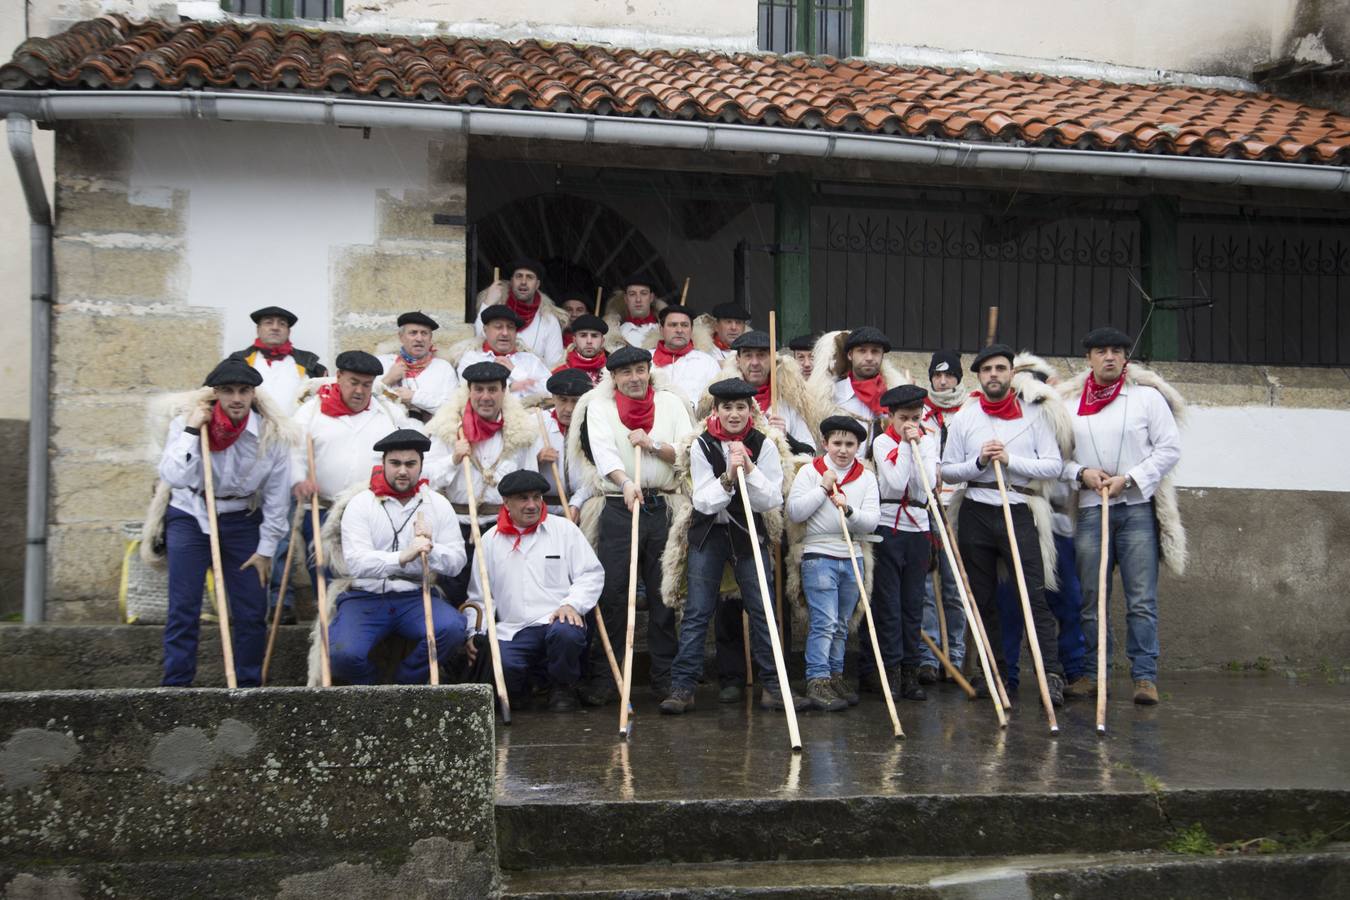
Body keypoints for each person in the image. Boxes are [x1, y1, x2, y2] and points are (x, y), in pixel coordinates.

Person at [660, 378, 804, 714]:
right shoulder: (701, 445)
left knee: (763, 610)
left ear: (750, 410)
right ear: (717, 410)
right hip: (709, 532)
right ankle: (683, 687)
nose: (735, 414)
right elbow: (703, 501)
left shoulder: (765, 444)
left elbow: (770, 497)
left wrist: (750, 469)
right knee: (697, 612)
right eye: (727, 407)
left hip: (748, 532)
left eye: (741, 407)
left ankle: (775, 686)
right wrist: (727, 477)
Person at [1059, 327, 1185, 706]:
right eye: (1101, 351)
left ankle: (1144, 677)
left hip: (1135, 511)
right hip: (1091, 509)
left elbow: (1169, 450)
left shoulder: (1147, 398)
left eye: (1117, 351)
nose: (1109, 357)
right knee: (1091, 598)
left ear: (1125, 358)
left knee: (1141, 599)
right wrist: (1082, 474)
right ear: (1089, 359)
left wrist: (1129, 478)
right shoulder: (1068, 404)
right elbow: (1057, 458)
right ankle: (1096, 675)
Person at [567, 345, 695, 702]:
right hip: (618, 505)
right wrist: (625, 482)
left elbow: (686, 451)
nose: (635, 378)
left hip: (665, 503)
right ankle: (608, 678)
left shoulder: (671, 404)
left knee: (662, 594)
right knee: (613, 593)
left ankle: (665, 677)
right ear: (614, 377)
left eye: (640, 370)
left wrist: (652, 444)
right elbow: (603, 451)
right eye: (626, 373)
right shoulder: (598, 407)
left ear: (649, 371)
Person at [941, 344, 1067, 707]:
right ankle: (993, 673)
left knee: (1033, 595)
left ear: (1012, 373)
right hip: (977, 510)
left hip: (1019, 508)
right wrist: (979, 461)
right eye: (987, 370)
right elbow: (948, 469)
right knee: (981, 600)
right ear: (979, 377)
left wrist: (1011, 459)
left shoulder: (1034, 414)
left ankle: (1051, 674)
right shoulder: (966, 417)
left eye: (1000, 368)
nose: (994, 374)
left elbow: (1052, 466)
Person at [156, 359, 292, 687]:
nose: (236, 398)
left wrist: (265, 550)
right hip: (190, 516)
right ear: (215, 394)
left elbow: (277, 500)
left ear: (253, 394)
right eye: (228, 391)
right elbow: (172, 475)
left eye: (243, 391)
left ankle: (248, 686)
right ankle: (176, 686)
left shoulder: (271, 435)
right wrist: (191, 428)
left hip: (242, 520)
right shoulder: (187, 424)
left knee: (250, 610)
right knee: (183, 608)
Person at [326, 429, 470, 685]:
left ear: (421, 466)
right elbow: (357, 563)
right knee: (343, 654)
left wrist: (432, 549)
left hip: (416, 594)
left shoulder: (437, 504)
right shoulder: (360, 504)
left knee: (452, 628)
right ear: (383, 464)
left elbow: (457, 562)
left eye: (410, 464)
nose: (403, 471)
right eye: (395, 463)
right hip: (365, 596)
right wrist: (402, 557)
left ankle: (406, 685)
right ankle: (374, 694)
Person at [469, 470, 604, 711]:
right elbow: (480, 596)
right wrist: (475, 632)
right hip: (513, 628)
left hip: (557, 619)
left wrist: (572, 604)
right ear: (506, 503)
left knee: (567, 635)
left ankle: (563, 688)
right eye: (523, 498)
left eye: (537, 497)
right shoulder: (489, 541)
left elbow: (591, 574)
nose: (532, 505)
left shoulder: (564, 530)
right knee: (505, 672)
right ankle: (525, 688)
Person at [291, 350, 417, 590]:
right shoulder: (311, 412)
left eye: (367, 385)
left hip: (376, 512)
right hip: (322, 510)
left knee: (369, 580)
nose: (360, 391)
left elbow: (412, 453)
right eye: (354, 383)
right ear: (338, 377)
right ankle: (328, 626)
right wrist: (299, 479)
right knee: (326, 581)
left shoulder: (390, 414)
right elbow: (292, 453)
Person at [424, 361, 543, 606]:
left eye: (492, 389)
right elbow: (428, 479)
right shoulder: (447, 429)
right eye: (479, 389)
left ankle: (491, 642)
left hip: (502, 527)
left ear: (504, 391)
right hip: (456, 526)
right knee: (454, 592)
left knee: (500, 594)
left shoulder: (521, 431)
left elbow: (530, 484)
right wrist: (454, 459)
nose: (485, 396)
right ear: (469, 392)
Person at [786, 416, 880, 712]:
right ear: (824, 444)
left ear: (858, 447)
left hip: (852, 553)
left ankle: (836, 675)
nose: (843, 449)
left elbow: (872, 521)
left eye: (850, 444)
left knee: (842, 624)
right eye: (836, 443)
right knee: (824, 622)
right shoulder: (810, 473)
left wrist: (849, 510)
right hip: (818, 554)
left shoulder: (866, 477)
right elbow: (795, 511)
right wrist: (824, 490)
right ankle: (817, 679)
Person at [859, 384, 938, 702]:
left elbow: (924, 486)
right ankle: (888, 671)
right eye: (904, 418)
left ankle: (910, 671)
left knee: (913, 602)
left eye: (916, 417)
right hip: (888, 528)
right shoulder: (880, 442)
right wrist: (905, 446)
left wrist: (917, 445)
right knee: (888, 604)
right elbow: (894, 481)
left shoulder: (928, 441)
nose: (911, 424)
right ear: (889, 417)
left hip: (918, 529)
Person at [917, 349, 968, 685]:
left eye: (949, 375)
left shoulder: (971, 411)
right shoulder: (920, 414)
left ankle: (958, 654)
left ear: (959, 378)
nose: (943, 380)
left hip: (959, 505)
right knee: (925, 585)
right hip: (926, 505)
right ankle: (930, 657)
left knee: (953, 586)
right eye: (938, 375)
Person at [809, 326, 908, 458]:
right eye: (862, 351)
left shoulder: (895, 395)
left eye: (875, 351)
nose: (869, 357)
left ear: (882, 356)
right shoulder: (831, 396)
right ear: (850, 355)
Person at [227, 305, 326, 416]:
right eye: (268, 322)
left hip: (297, 431)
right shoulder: (238, 363)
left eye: (282, 324)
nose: (275, 327)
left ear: (288, 332)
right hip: (250, 432)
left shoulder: (311, 367)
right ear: (258, 329)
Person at [475, 258, 565, 368]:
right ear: (512, 281)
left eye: (529, 277)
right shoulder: (495, 308)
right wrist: (488, 302)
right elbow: (478, 338)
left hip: (530, 380)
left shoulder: (548, 319)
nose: (523, 282)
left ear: (537, 284)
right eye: (519, 276)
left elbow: (554, 364)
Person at [456, 304, 553, 404]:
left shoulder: (530, 360)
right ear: (485, 330)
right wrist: (510, 388)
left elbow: (552, 390)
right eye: (498, 327)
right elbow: (468, 392)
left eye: (510, 327)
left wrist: (515, 372)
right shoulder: (472, 359)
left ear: (516, 333)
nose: (505, 333)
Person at [378, 311, 458, 423]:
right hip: (388, 432)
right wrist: (387, 380)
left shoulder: (443, 367)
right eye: (413, 333)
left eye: (424, 333)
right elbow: (367, 399)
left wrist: (415, 397)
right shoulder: (383, 363)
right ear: (401, 337)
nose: (419, 338)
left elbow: (453, 408)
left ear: (430, 338)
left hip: (430, 435)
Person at [539, 368, 595, 521]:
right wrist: (536, 459)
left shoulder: (594, 425)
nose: (569, 409)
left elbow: (596, 475)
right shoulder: (536, 423)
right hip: (542, 511)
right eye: (563, 400)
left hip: (582, 508)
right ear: (553, 398)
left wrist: (577, 502)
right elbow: (519, 466)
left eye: (575, 401)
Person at [650, 305, 721, 406]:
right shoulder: (645, 359)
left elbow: (716, 402)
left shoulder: (708, 363)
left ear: (691, 329)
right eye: (673, 325)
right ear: (661, 329)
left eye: (684, 325)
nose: (679, 330)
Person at [605, 273, 663, 348]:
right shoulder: (616, 334)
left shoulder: (666, 333)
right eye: (632, 294)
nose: (638, 299)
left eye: (644, 293)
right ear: (626, 299)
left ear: (651, 297)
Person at [552, 313, 609, 386]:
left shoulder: (613, 371)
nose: (589, 341)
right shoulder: (560, 372)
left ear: (602, 341)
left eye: (594, 336)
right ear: (574, 340)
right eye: (583, 335)